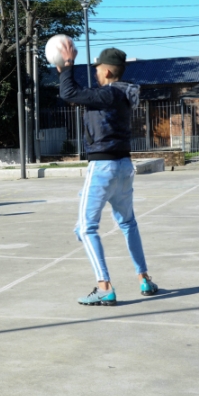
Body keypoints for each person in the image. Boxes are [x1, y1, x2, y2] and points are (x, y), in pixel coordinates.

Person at [55, 40, 158, 306]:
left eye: (98, 69)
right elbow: (75, 92)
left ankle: (105, 287)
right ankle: (144, 279)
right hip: (124, 167)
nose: (96, 74)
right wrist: (63, 72)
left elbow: (69, 94)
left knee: (86, 228)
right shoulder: (121, 94)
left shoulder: (109, 93)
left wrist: (68, 64)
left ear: (108, 72)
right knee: (128, 224)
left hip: (103, 168)